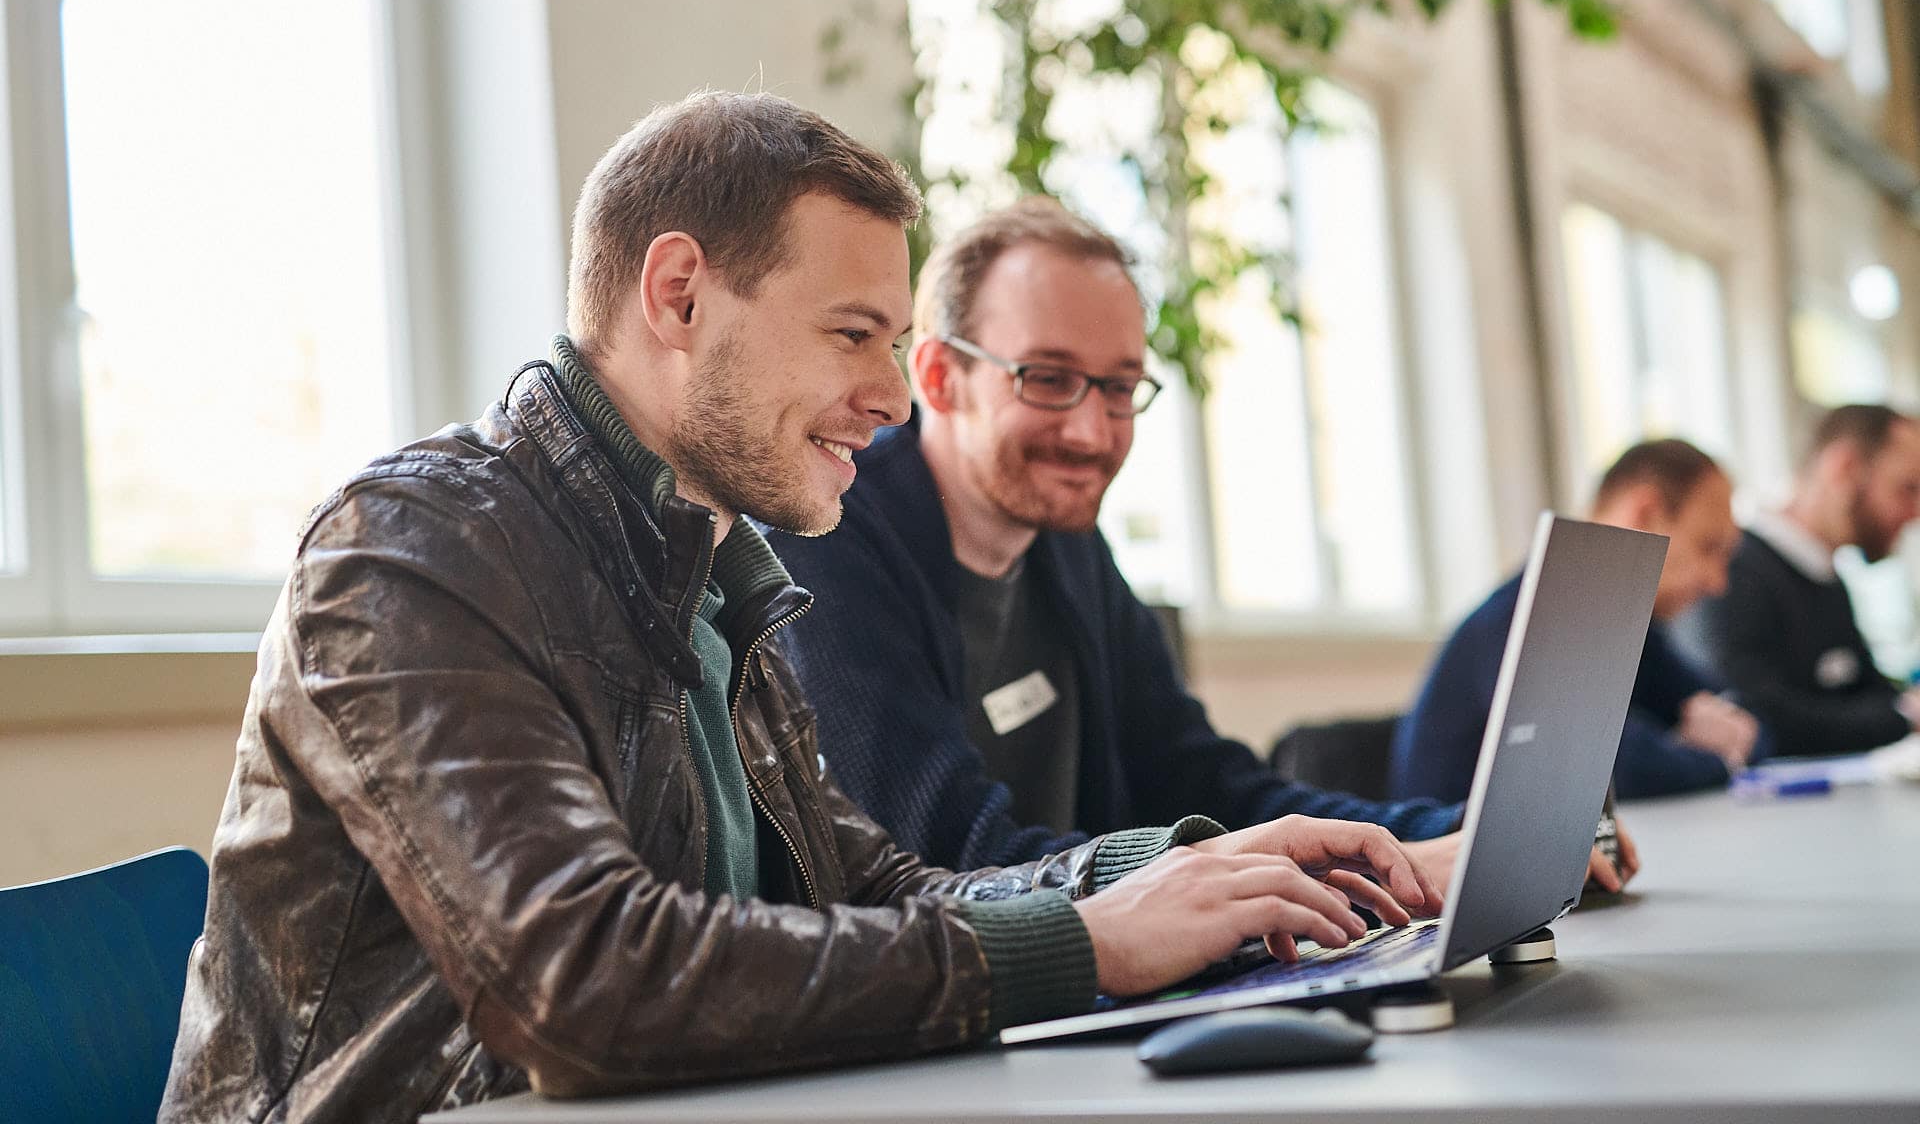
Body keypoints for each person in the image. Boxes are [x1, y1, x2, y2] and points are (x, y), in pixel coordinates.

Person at [159, 93, 1443, 1124]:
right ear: (678, 295)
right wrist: (1084, 945)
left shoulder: (718, 573)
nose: (893, 398)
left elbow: (875, 885)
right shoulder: (413, 552)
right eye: (853, 334)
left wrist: (1172, 876)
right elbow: (589, 979)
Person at [764, 198, 1636, 897]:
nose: (1091, 431)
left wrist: (1449, 836)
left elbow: (1203, 780)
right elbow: (950, 851)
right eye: (1049, 379)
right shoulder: (831, 537)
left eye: (1117, 389)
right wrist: (1327, 869)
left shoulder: (1067, 547)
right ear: (941, 378)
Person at [1390, 439, 1769, 804]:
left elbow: (1748, 713)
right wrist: (1721, 758)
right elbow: (1610, 769)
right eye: (1708, 548)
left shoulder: (1624, 620)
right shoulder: (1530, 615)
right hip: (1452, 861)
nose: (1718, 583)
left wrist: (1728, 736)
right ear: (1645, 513)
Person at [1673, 404, 1920, 756]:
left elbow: (1870, 691)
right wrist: (1901, 717)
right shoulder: (1734, 574)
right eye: (1907, 488)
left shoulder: (1828, 580)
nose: (1915, 512)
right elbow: (1756, 713)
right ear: (1845, 468)